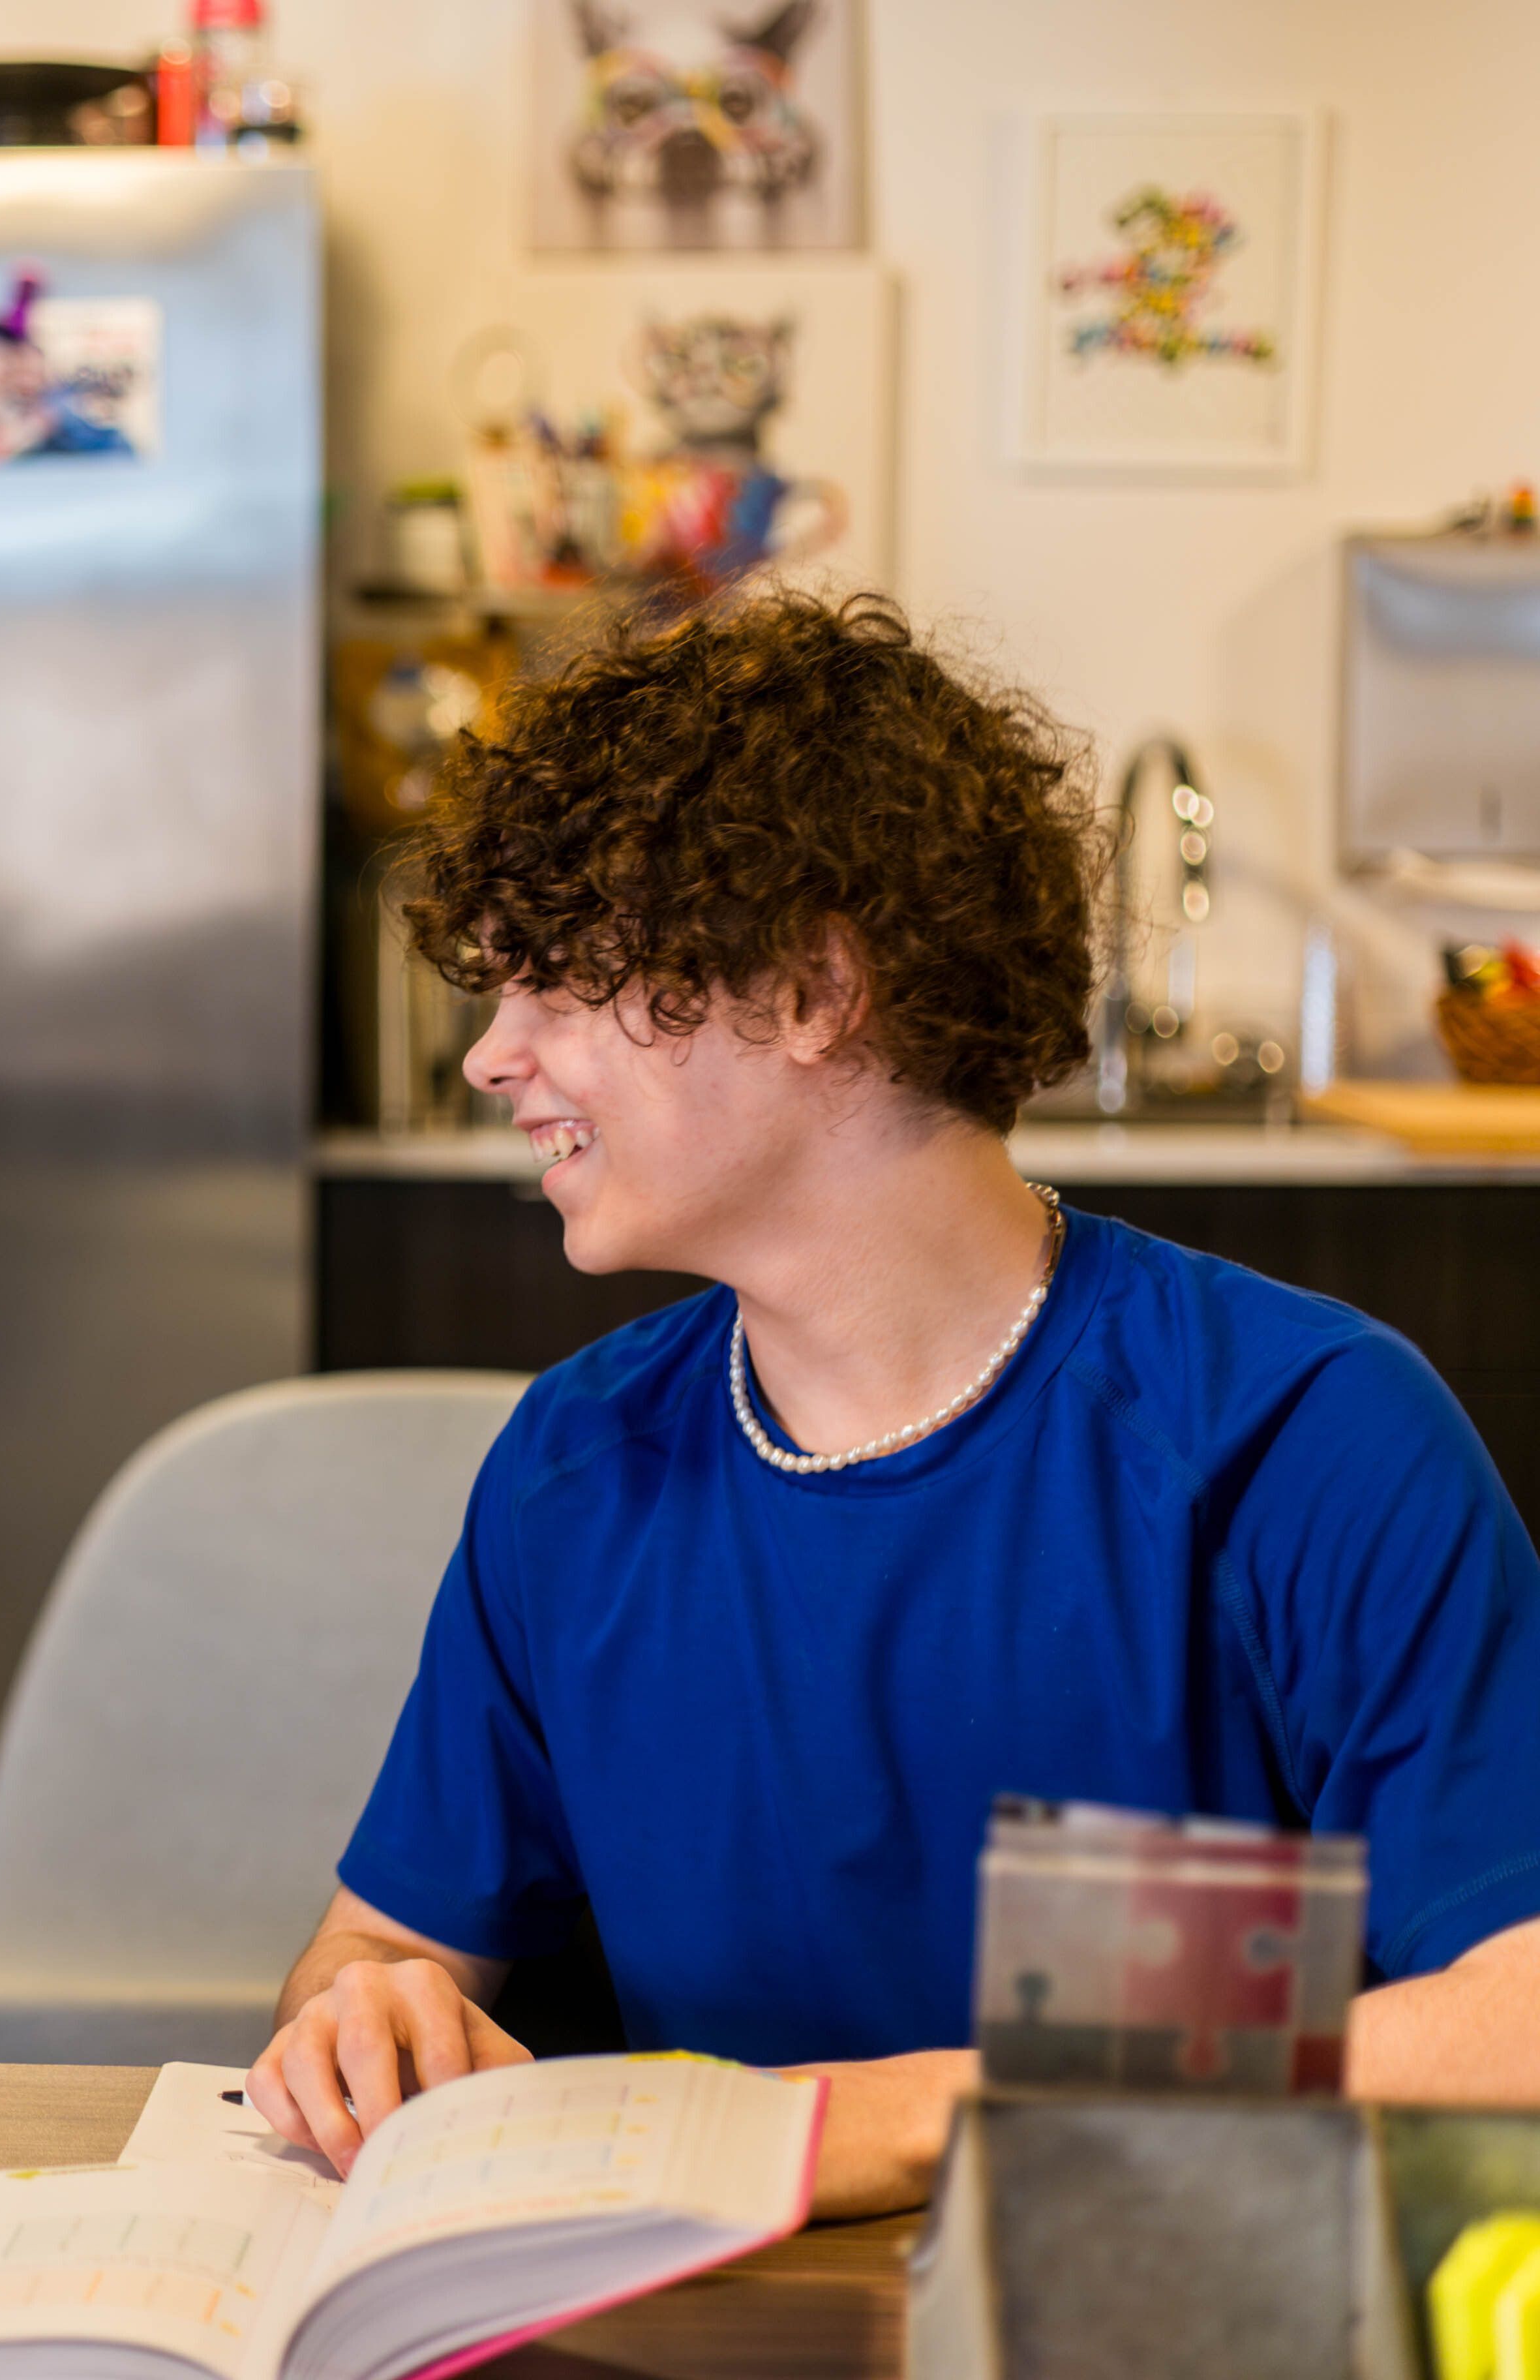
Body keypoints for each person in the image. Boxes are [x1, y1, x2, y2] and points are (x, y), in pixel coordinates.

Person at [247, 593, 1540, 2215]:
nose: (491, 1060)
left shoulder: (1310, 1439)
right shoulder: (571, 1470)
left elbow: (1520, 2020)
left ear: (808, 989)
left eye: (558, 986)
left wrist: (887, 2125)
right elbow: (379, 1943)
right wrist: (361, 2014)